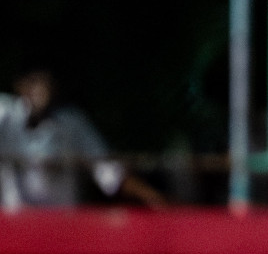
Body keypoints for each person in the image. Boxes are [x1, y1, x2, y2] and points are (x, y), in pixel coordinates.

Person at [0, 69, 165, 211]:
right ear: (19, 85)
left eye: (46, 83)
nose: (40, 90)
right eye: (33, 82)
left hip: (58, 226)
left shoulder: (72, 123)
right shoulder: (6, 115)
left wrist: (153, 199)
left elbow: (109, 172)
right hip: (14, 226)